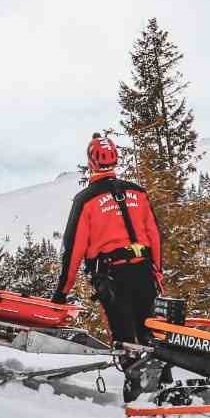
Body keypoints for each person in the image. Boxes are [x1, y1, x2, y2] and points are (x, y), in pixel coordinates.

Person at [52, 135, 163, 351]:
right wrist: (158, 272)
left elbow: (73, 250)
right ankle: (159, 372)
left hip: (112, 277)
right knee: (150, 336)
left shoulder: (85, 200)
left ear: (91, 162)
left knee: (124, 340)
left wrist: (61, 293)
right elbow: (154, 236)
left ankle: (132, 372)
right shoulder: (138, 193)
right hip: (144, 272)